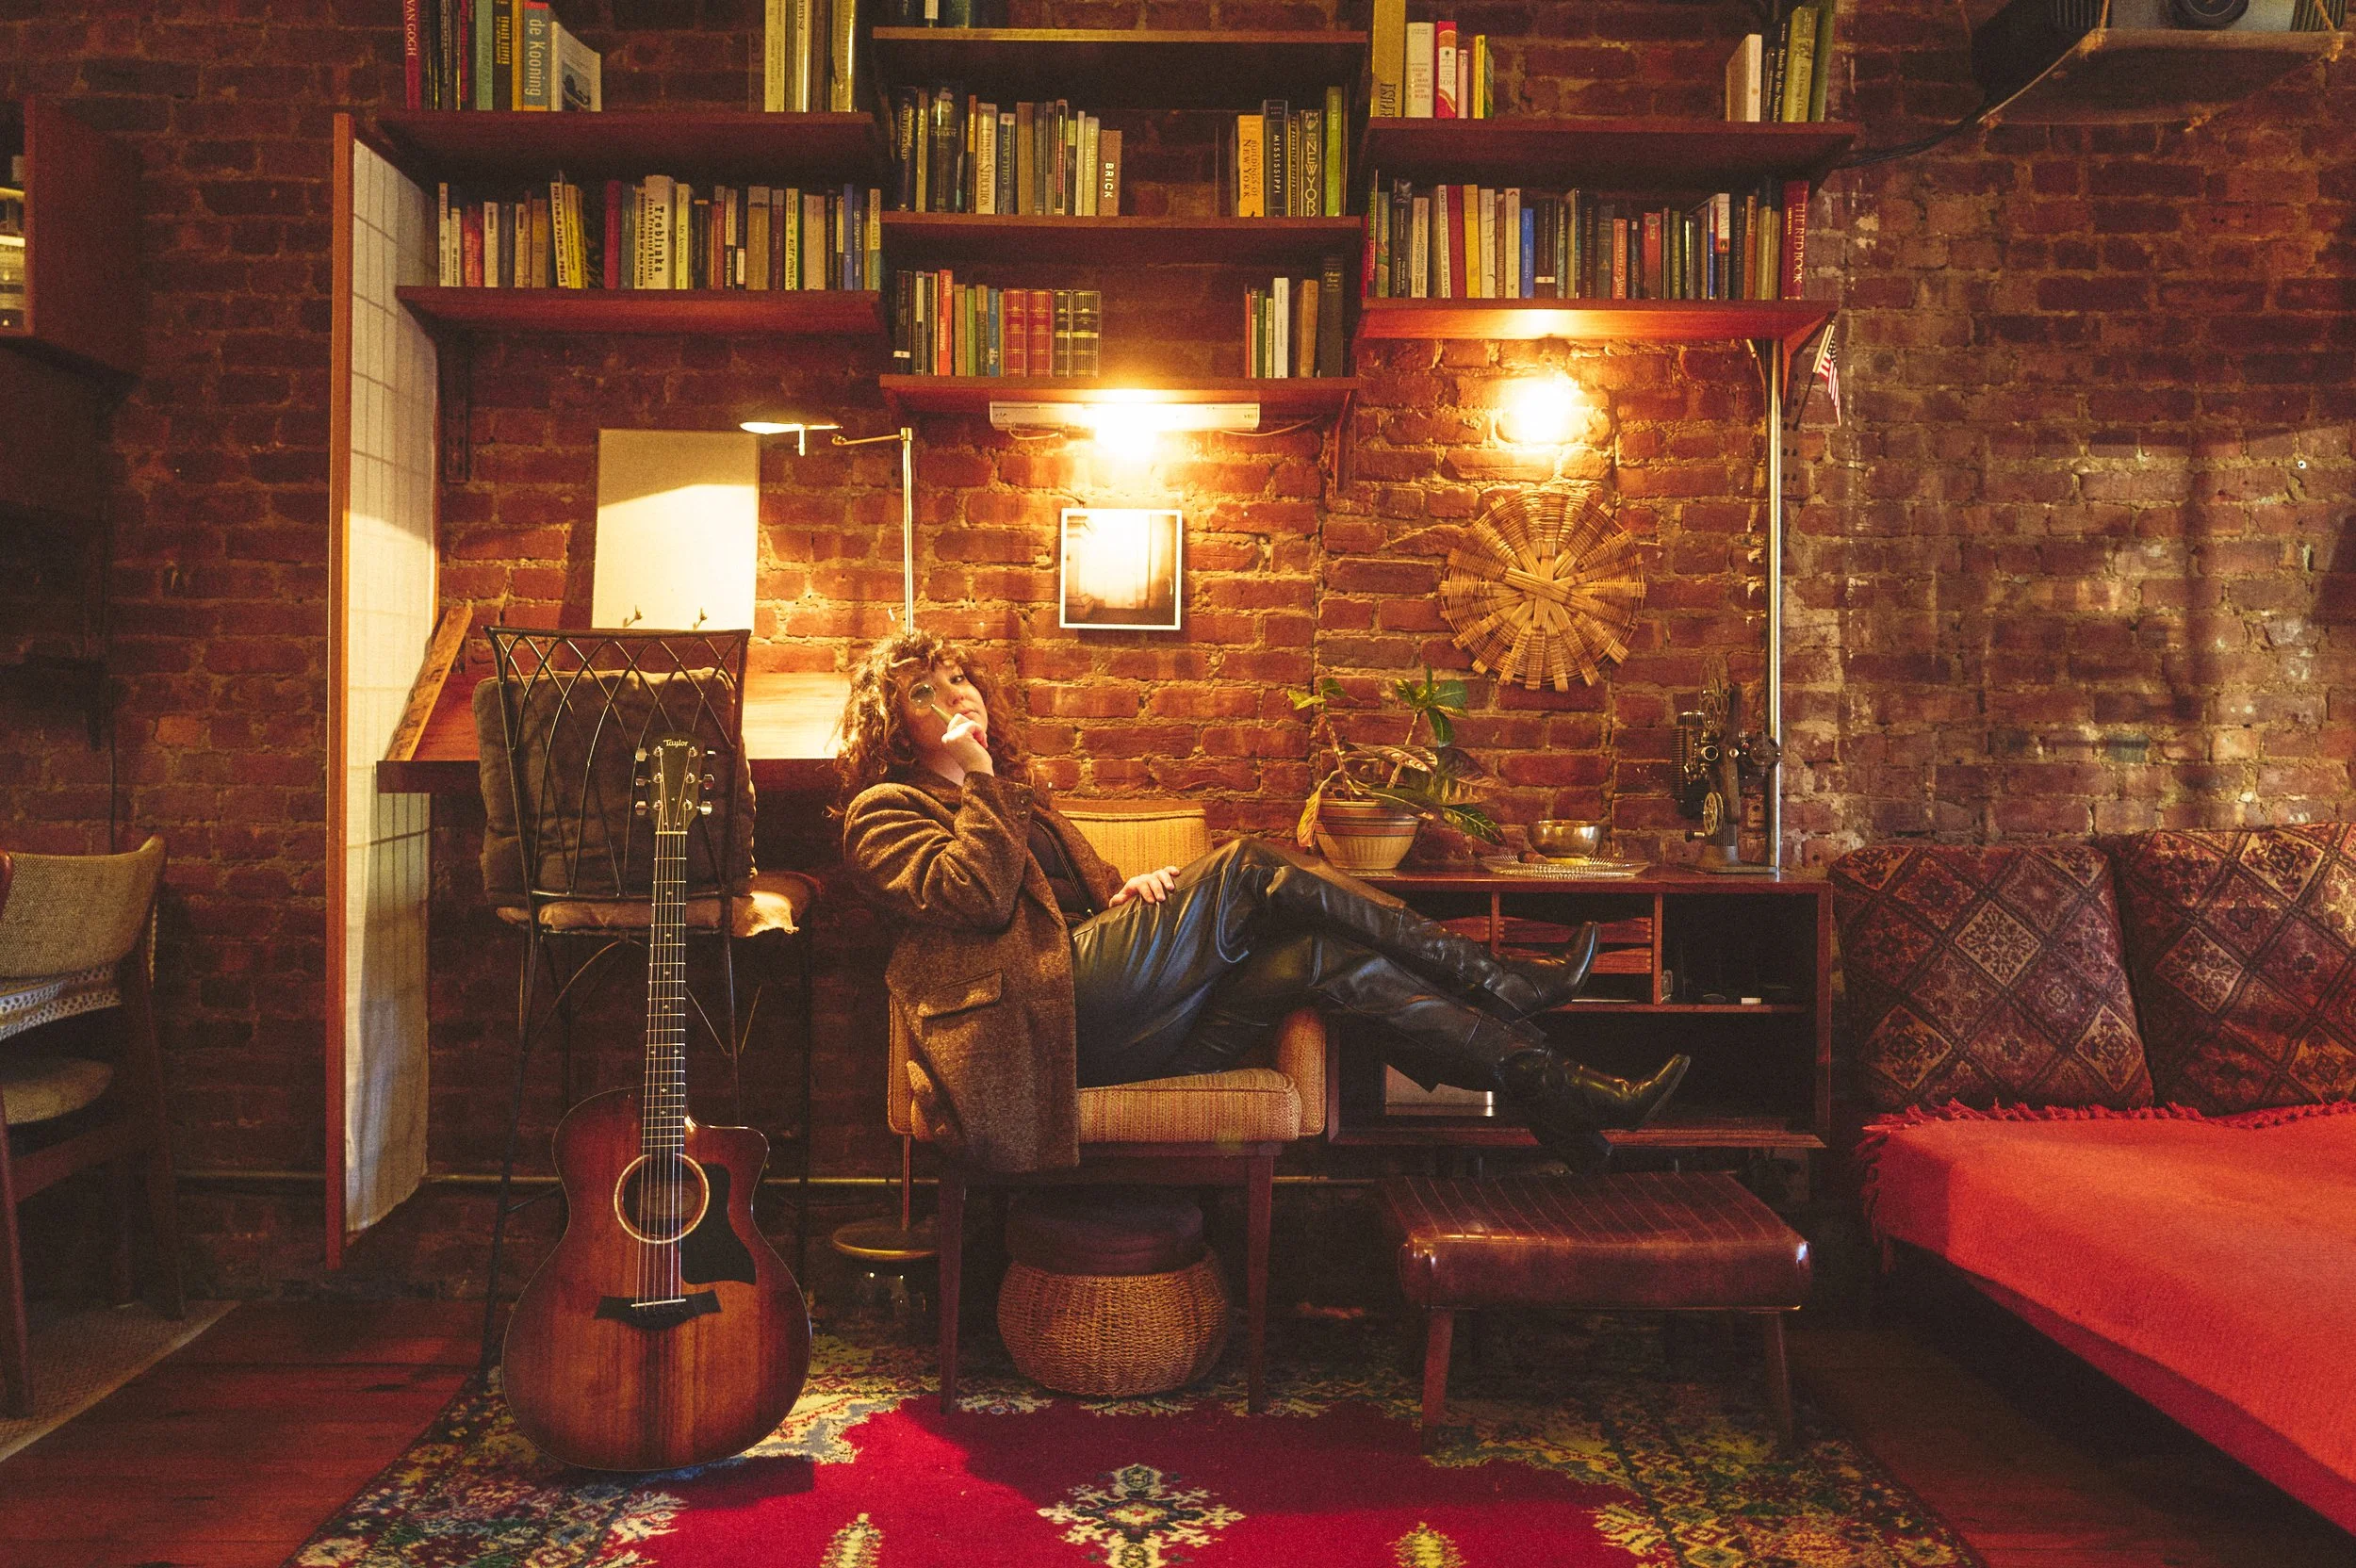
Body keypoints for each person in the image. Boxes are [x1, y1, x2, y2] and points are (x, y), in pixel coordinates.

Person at [837, 629, 1687, 1175]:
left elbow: (1062, 910)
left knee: (1320, 959)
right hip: (1041, 1035)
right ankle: (1501, 979)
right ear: (893, 727)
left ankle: (1557, 1094)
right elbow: (980, 898)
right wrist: (982, 780)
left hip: (1112, 1015)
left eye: (959, 677)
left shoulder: (1019, 797)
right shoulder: (885, 813)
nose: (958, 694)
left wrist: (1125, 895)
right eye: (926, 692)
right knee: (1247, 865)